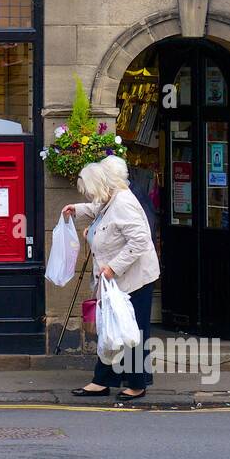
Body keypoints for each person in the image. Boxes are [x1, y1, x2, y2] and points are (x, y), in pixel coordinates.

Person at [61, 154, 160, 401]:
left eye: (91, 192)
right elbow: (99, 207)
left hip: (134, 279)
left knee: (131, 331)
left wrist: (113, 267)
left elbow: (139, 241)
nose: (91, 198)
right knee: (111, 330)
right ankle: (102, 381)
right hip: (115, 280)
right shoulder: (111, 198)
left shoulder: (123, 202)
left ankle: (137, 384)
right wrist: (78, 209)